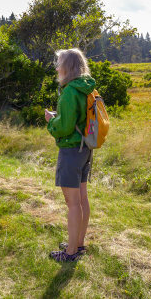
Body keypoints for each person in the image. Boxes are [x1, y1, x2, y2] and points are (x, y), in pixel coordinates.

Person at [45, 48, 96, 262]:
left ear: (68, 67)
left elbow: (64, 127)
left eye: (59, 63)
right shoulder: (86, 88)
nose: (56, 67)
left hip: (71, 150)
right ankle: (79, 243)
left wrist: (51, 122)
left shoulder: (68, 91)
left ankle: (71, 252)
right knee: (82, 199)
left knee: (73, 203)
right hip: (85, 149)